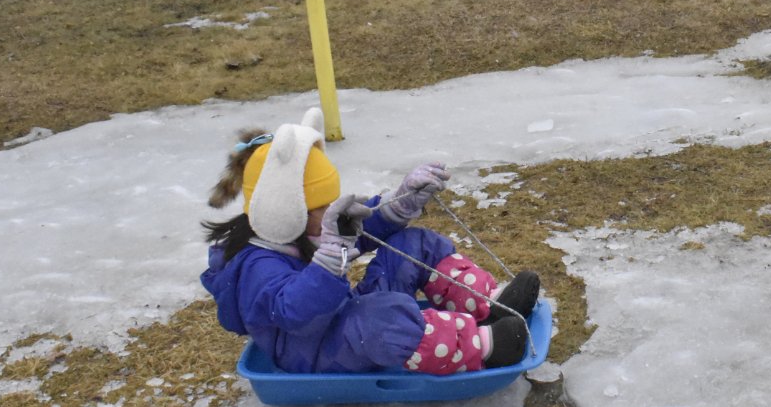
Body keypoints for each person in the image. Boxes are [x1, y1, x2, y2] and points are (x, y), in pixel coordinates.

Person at [200, 108, 540, 375]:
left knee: (413, 245)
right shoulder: (257, 265)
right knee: (383, 318)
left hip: (338, 318)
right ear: (285, 209)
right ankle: (484, 345)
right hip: (313, 352)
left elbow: (359, 230)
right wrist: (330, 258)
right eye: (321, 207)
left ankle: (489, 304)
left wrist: (398, 204)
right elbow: (295, 314)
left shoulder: (299, 230)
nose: (331, 213)